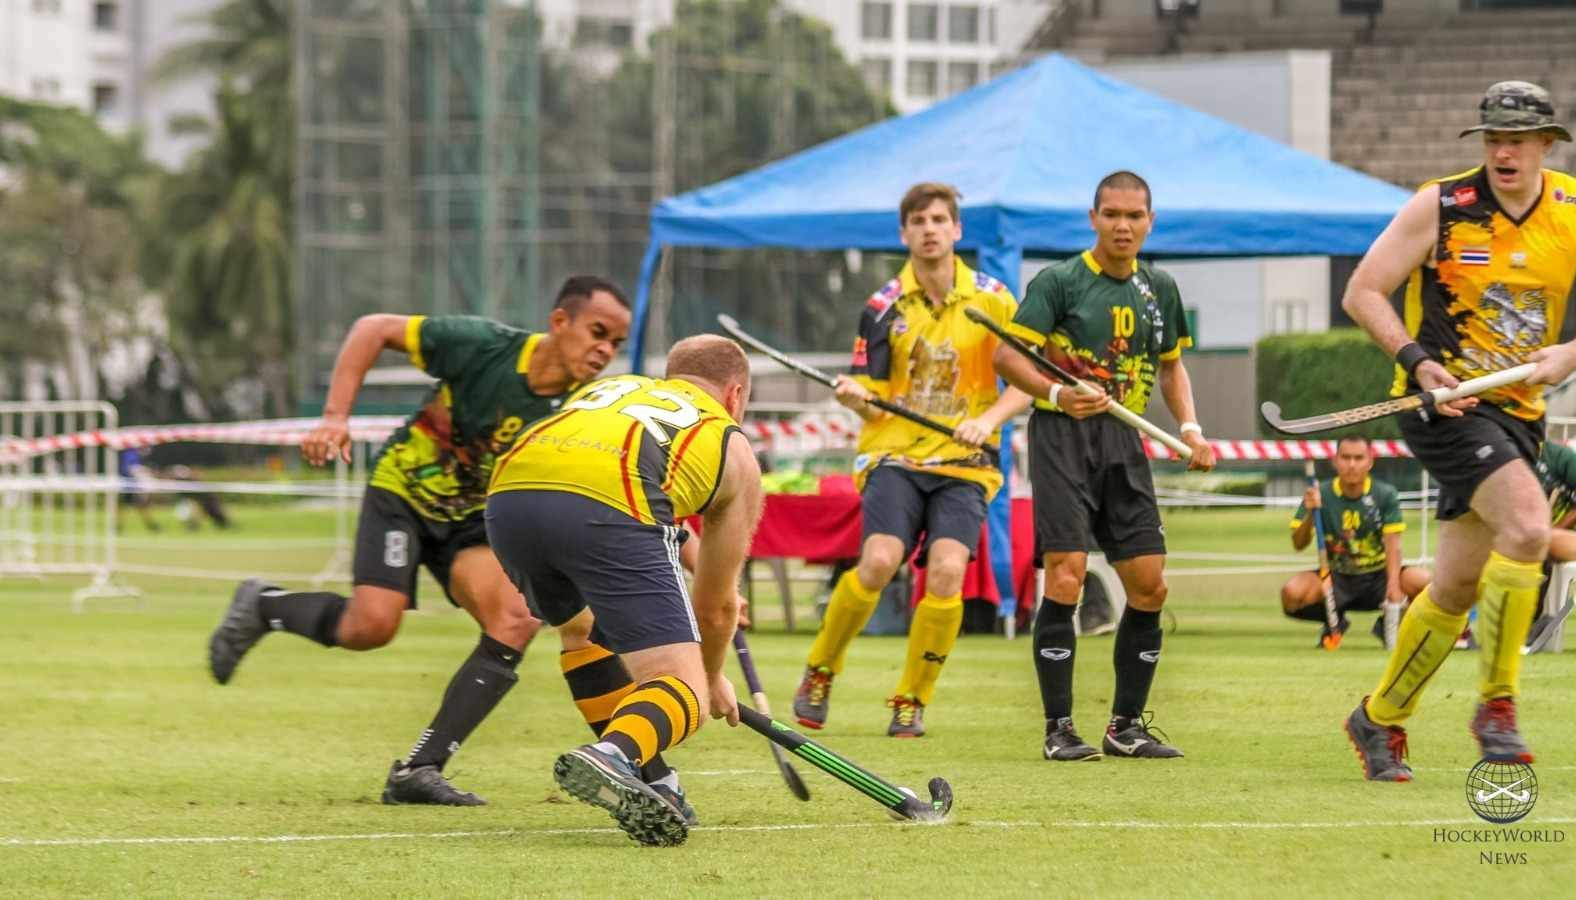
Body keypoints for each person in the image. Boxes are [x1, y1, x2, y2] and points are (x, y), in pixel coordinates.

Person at [206, 277, 694, 811]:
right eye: (598, 333)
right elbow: (373, 329)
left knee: (517, 618)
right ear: (559, 322)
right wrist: (334, 417)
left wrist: (704, 567)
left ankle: (418, 768)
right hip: (404, 494)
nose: (604, 351)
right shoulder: (483, 345)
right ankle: (265, 605)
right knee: (371, 627)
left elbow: (638, 493)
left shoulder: (580, 406)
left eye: (615, 344)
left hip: (475, 521)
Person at [1339, 81, 1576, 781]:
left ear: (1549, 143)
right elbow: (1363, 291)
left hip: (1518, 415)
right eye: (1492, 138)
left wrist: (1573, 352)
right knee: (1526, 527)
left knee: (1455, 586)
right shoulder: (1442, 205)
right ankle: (1497, 705)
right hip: (1444, 407)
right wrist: (1417, 362)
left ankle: (1378, 719)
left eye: (1517, 139)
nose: (1503, 151)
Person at [486, 334, 763, 847]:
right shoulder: (731, 441)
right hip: (608, 505)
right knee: (684, 690)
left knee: (582, 631)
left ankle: (655, 782)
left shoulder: (614, 389)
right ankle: (614, 754)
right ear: (736, 395)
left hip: (508, 499)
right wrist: (709, 676)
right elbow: (718, 606)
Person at [789, 182, 1034, 738]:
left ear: (957, 230)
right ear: (904, 233)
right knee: (878, 560)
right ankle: (821, 670)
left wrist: (989, 420)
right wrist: (853, 398)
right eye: (919, 220)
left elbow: (1027, 384)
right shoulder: (881, 308)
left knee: (948, 571)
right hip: (894, 456)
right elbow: (869, 393)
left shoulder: (995, 299)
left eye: (939, 219)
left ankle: (911, 700)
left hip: (966, 462)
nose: (929, 228)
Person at [992, 170, 1216, 762]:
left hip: (1126, 442)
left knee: (1150, 584)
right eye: (1111, 214)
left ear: (1150, 221)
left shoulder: (1159, 289)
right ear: (1092, 218)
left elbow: (1170, 368)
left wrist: (1189, 429)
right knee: (1064, 574)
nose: (1123, 225)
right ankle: (1059, 728)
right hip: (1063, 438)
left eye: (1134, 215)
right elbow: (1006, 356)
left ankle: (1126, 726)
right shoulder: (1060, 283)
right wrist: (1056, 395)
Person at [1281, 435, 1430, 644]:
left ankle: (1388, 623)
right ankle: (1335, 621)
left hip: (1379, 575)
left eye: (1359, 458)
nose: (1352, 465)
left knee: (1426, 584)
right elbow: (1298, 544)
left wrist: (1393, 585)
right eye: (1346, 457)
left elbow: (1393, 545)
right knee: (1292, 594)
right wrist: (1309, 514)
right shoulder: (1320, 493)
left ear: (1370, 461)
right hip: (1336, 577)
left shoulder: (1385, 494)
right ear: (1335, 460)